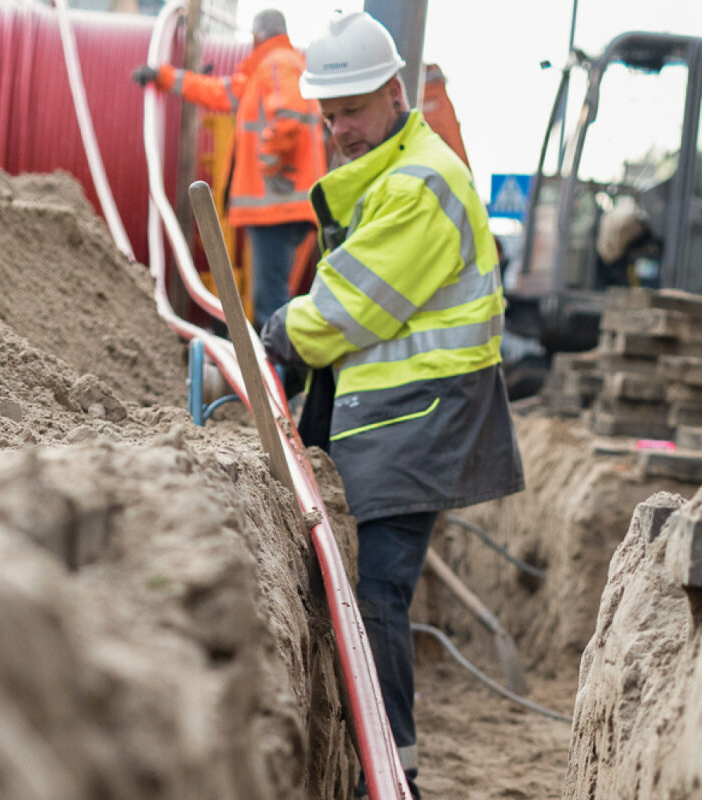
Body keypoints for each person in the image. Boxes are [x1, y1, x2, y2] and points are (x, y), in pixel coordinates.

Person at [260, 10, 524, 799]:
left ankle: (390, 770)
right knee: (363, 587)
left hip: (420, 416)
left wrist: (279, 330)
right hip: (396, 414)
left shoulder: (417, 183)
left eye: (353, 109)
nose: (339, 128)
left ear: (395, 92)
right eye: (329, 113)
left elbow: (349, 309)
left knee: (376, 593)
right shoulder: (390, 171)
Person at [132, 9, 326, 329]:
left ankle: (271, 377)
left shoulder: (277, 64)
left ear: (256, 36)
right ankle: (274, 373)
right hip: (279, 209)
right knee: (273, 302)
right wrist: (165, 77)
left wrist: (270, 164)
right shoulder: (265, 71)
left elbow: (288, 116)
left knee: (271, 307)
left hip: (276, 208)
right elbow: (219, 92)